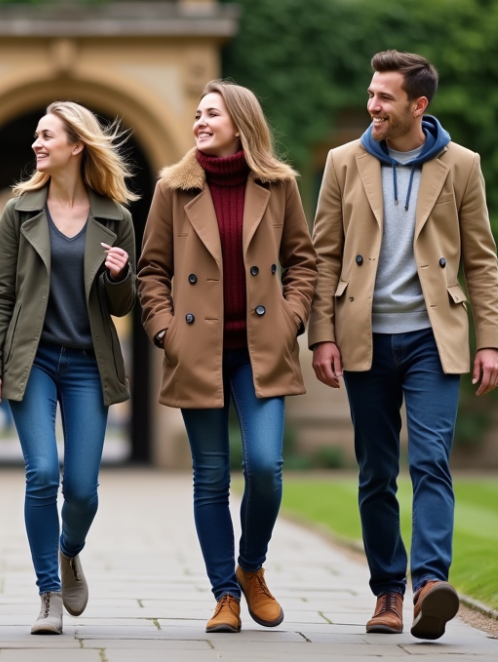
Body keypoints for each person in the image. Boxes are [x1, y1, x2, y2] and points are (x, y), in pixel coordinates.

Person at [309, 50, 498, 640]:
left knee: (430, 463)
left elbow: (482, 259)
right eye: (371, 94)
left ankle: (428, 586)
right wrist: (321, 334)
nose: (373, 105)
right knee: (374, 472)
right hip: (363, 337)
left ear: (418, 105)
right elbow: (323, 256)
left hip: (432, 339)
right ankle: (387, 593)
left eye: (384, 97)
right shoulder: (343, 163)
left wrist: (490, 341)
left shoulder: (461, 165)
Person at [138, 80, 316, 633]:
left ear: (240, 122)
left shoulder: (279, 185)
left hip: (261, 347)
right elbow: (151, 273)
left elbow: (303, 263)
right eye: (196, 113)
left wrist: (291, 321)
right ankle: (225, 596)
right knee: (211, 477)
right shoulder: (173, 188)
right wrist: (167, 332)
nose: (199, 120)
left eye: (211, 113)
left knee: (265, 469)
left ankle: (251, 567)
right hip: (198, 348)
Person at [0, 101, 138, 635]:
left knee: (84, 489)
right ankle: (48, 591)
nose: (36, 144)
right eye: (36, 136)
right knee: (42, 473)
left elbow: (122, 306)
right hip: (34, 360)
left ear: (77, 145)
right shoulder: (19, 211)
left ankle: (70, 552)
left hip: (89, 364)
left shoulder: (116, 217)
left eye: (47, 136)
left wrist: (118, 277)